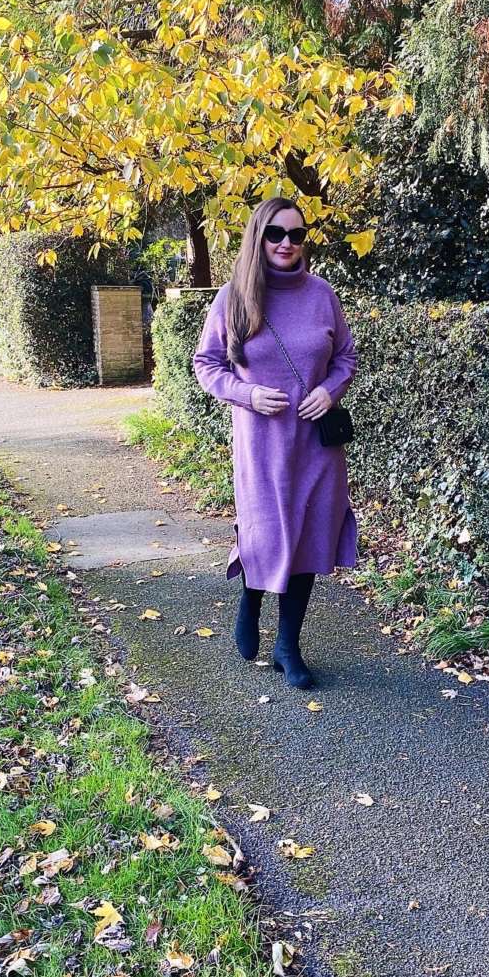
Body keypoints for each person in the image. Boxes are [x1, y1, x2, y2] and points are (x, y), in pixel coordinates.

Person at [192, 197, 358, 689]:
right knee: (265, 533)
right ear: (258, 238)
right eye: (276, 234)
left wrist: (329, 392)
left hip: (316, 446)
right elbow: (207, 365)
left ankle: (288, 645)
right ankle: (251, 597)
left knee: (308, 537)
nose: (287, 243)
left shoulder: (323, 295)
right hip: (261, 443)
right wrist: (245, 394)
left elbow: (345, 358)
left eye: (297, 235)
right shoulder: (233, 298)